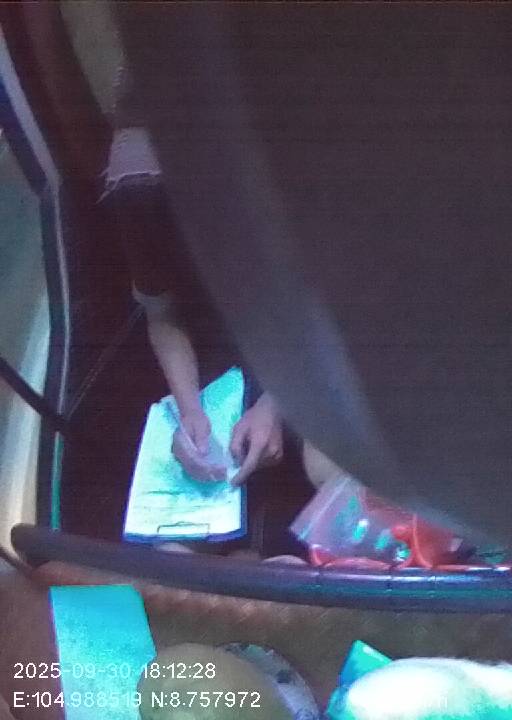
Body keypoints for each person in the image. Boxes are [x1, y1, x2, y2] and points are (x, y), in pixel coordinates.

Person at [102, 62, 311, 557]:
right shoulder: (139, 193)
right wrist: (190, 411)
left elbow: (327, 313)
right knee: (171, 551)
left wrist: (276, 403)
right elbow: (163, 316)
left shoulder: (291, 179)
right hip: (221, 352)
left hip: (306, 346)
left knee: (323, 472)